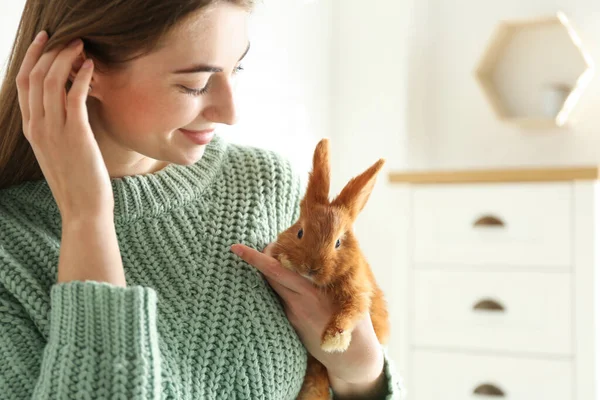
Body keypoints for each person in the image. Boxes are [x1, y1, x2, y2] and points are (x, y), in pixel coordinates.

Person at [0, 0, 405, 399]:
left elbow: (342, 367)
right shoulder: (9, 249)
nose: (231, 112)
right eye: (194, 83)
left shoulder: (265, 184)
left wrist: (362, 372)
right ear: (78, 69)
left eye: (237, 68)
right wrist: (87, 221)